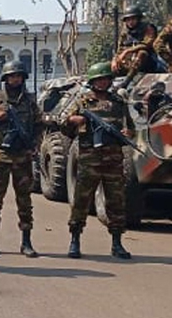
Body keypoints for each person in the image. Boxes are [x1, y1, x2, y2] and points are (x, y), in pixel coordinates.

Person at [62, 62, 135, 259]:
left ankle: (117, 243)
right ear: (93, 82)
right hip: (89, 159)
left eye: (106, 79)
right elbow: (64, 125)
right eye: (99, 79)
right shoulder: (82, 102)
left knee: (116, 202)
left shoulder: (118, 102)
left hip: (113, 160)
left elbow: (131, 128)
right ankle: (75, 240)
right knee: (81, 201)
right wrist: (73, 121)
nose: (103, 83)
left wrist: (128, 133)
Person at [0, 61, 42, 258]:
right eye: (12, 76)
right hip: (0, 157)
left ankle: (26, 241)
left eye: (19, 76)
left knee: (24, 201)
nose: (15, 79)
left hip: (22, 157)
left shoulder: (30, 101)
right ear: (5, 78)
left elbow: (38, 125)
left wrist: (35, 146)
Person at [111, 6, 159, 87]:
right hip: (129, 61)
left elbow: (147, 43)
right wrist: (115, 59)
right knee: (108, 65)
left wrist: (128, 51)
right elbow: (120, 49)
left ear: (138, 19)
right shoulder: (125, 33)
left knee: (142, 53)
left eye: (133, 19)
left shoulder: (148, 28)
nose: (130, 22)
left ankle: (126, 82)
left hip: (147, 61)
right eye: (128, 20)